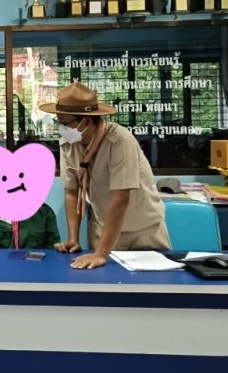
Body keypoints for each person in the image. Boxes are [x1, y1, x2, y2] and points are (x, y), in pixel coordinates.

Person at [39, 82, 170, 270]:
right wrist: (73, 238)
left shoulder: (120, 141)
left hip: (143, 231)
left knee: (153, 285)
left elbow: (120, 199)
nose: (62, 128)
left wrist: (101, 254)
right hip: (103, 229)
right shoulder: (69, 144)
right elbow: (72, 192)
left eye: (65, 123)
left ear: (86, 121)